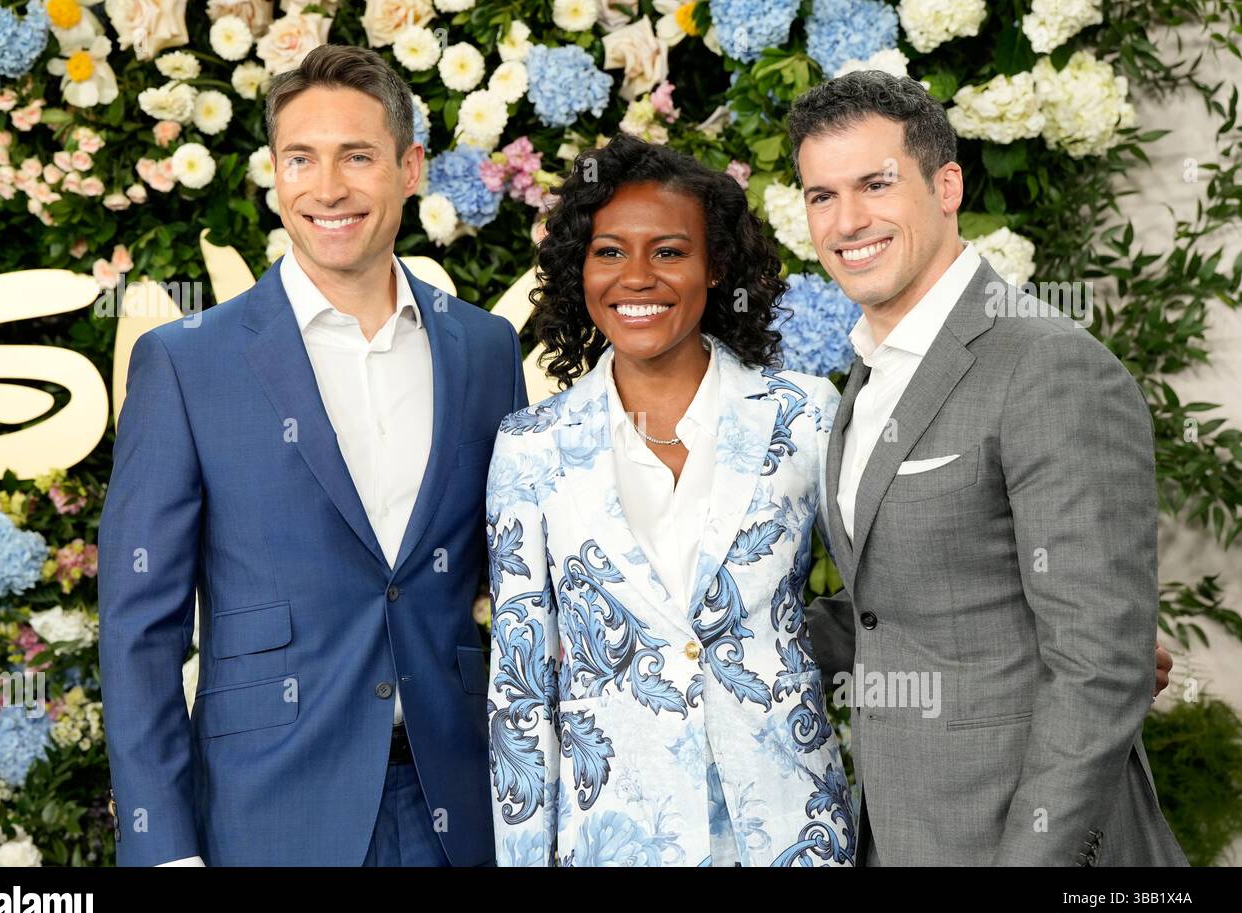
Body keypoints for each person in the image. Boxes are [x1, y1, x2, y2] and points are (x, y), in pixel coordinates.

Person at [98, 44, 525, 866]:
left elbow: (521, 588)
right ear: (274, 173)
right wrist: (164, 851)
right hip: (267, 817)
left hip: (464, 807)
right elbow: (138, 630)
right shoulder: (189, 363)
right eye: (302, 159)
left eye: (357, 157)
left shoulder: (484, 349)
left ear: (410, 168)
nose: (327, 189)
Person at [794, 70, 1187, 866]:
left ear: (946, 186)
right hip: (898, 831)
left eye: (876, 184)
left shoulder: (1046, 365)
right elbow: (901, 612)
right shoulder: (867, 375)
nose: (848, 221)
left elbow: (1101, 667)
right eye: (821, 195)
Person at [485, 134, 854, 866]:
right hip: (613, 840)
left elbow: (894, 598)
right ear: (579, 269)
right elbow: (521, 690)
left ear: (716, 266)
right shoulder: (531, 445)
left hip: (790, 832)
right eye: (610, 251)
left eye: (670, 252)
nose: (638, 277)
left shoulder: (806, 415)